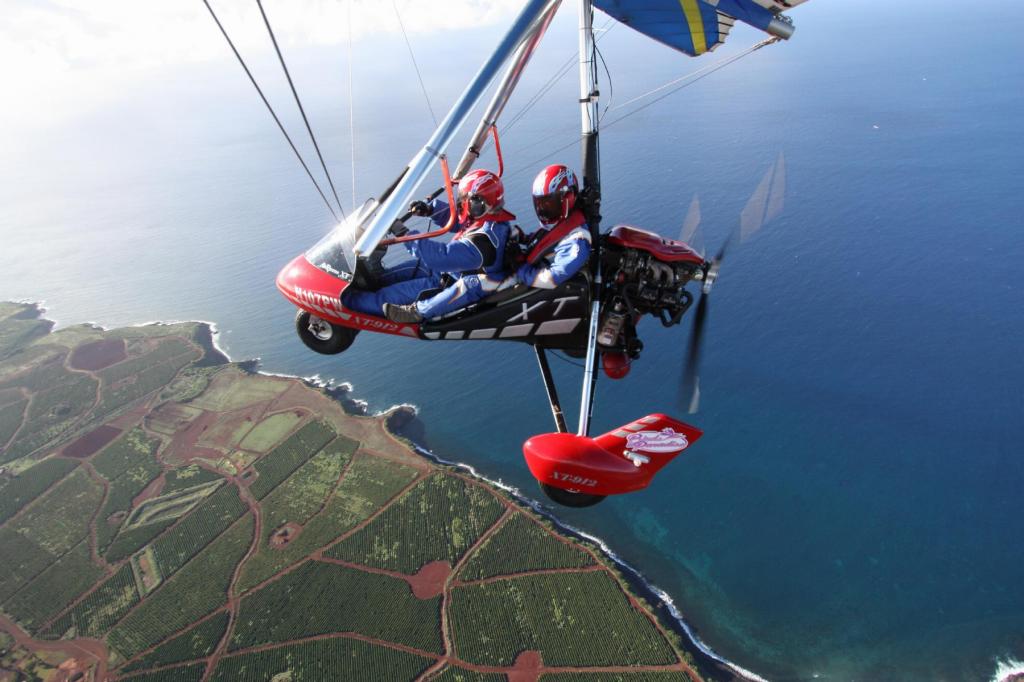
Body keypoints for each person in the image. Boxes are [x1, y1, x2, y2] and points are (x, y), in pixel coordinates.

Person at [342, 169, 514, 323]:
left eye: (464, 200)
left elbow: (440, 257)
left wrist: (404, 234)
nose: (461, 203)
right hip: (445, 271)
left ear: (477, 203)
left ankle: (342, 302)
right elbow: (460, 221)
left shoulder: (483, 244)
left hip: (444, 284)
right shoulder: (491, 220)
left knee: (385, 297)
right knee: (386, 278)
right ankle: (356, 284)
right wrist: (430, 209)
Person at [515, 164, 591, 289]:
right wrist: (523, 238)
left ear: (568, 199)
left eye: (548, 204)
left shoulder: (578, 239)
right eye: (539, 204)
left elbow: (551, 279)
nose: (542, 210)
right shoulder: (560, 225)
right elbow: (547, 241)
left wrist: (519, 266)